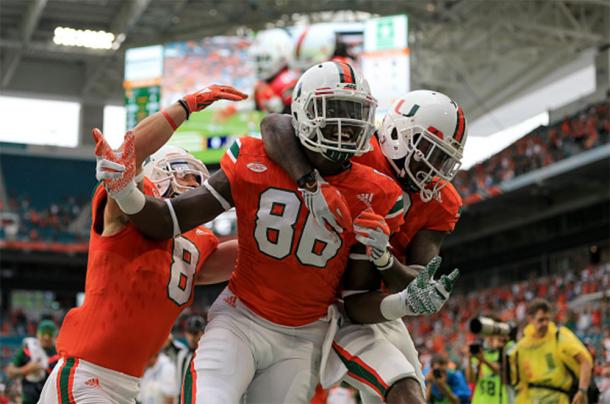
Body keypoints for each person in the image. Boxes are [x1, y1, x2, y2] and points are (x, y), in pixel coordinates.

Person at [100, 61, 455, 403]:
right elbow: (169, 221)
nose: (344, 125)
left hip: (306, 332)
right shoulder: (257, 158)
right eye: (332, 111)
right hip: (242, 316)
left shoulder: (377, 194)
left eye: (353, 112)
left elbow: (356, 300)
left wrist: (393, 278)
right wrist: (125, 192)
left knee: (406, 384)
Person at [37, 84, 246, 404]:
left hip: (127, 385)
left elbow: (258, 252)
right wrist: (185, 106)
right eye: (186, 174)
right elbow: (129, 154)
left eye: (201, 180)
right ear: (157, 175)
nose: (196, 185)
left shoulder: (201, 242)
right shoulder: (130, 204)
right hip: (86, 374)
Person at [259, 89, 466, 403]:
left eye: (444, 159)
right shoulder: (359, 146)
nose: (435, 169)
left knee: (409, 391)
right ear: (398, 133)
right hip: (302, 292)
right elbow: (276, 124)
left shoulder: (441, 201)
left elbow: (414, 279)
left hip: (365, 306)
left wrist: (385, 260)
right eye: (430, 152)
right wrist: (310, 184)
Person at [509, 298, 593, 404]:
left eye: (547, 319)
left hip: (558, 398)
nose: (544, 324)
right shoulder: (522, 346)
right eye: (540, 320)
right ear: (530, 319)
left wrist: (582, 390)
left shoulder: (559, 337)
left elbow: (585, 360)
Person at [6, 320, 59, 404]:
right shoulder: (28, 350)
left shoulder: (60, 353)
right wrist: (26, 369)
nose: (46, 337)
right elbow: (10, 372)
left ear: (55, 335)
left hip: (51, 399)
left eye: (50, 333)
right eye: (43, 333)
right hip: (29, 399)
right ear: (38, 333)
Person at [250, 28, 299, 114]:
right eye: (257, 59)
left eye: (266, 58)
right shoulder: (261, 84)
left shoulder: (289, 82)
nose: (260, 65)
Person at [466, 329, 510, 404]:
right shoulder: (480, 354)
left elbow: (498, 370)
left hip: (497, 400)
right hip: (479, 401)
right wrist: (469, 359)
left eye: (493, 337)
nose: (490, 339)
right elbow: (470, 379)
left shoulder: (503, 353)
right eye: (489, 337)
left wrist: (483, 359)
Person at [176, 315, 205, 402]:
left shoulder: (205, 355)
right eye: (189, 332)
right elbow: (179, 383)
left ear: (203, 333)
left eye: (195, 333)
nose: (192, 337)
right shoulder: (182, 354)